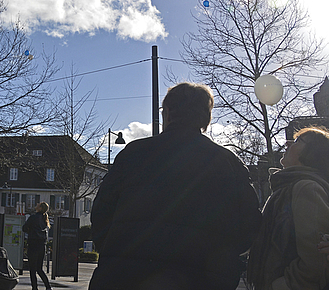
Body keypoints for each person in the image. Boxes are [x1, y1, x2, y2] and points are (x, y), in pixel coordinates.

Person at [89, 82, 261, 290]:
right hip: (202, 280)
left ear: (168, 113)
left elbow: (101, 214)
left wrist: (116, 252)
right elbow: (249, 225)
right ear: (206, 118)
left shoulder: (133, 155)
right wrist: (222, 262)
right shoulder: (228, 164)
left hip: (125, 277)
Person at [247, 126, 329, 289]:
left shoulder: (306, 188)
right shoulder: (287, 187)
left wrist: (282, 285)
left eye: (298, 140)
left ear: (312, 152)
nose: (288, 143)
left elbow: (314, 260)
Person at [22, 202, 51, 290]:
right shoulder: (44, 219)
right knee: (39, 269)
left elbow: (24, 228)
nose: (36, 205)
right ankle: (48, 287)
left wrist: (30, 231)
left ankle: (35, 288)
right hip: (42, 246)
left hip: (33, 245)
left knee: (32, 269)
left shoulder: (33, 218)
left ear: (40, 208)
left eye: (38, 205)